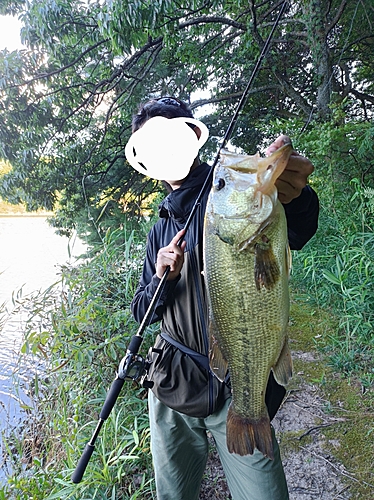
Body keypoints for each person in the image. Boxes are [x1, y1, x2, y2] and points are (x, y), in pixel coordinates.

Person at [130, 96, 319, 500]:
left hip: (237, 388)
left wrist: (294, 192)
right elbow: (142, 311)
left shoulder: (230, 191)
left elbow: (298, 227)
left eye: (170, 137)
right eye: (153, 145)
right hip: (172, 388)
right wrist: (162, 277)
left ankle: (251, 418)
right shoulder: (159, 231)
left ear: (191, 138)